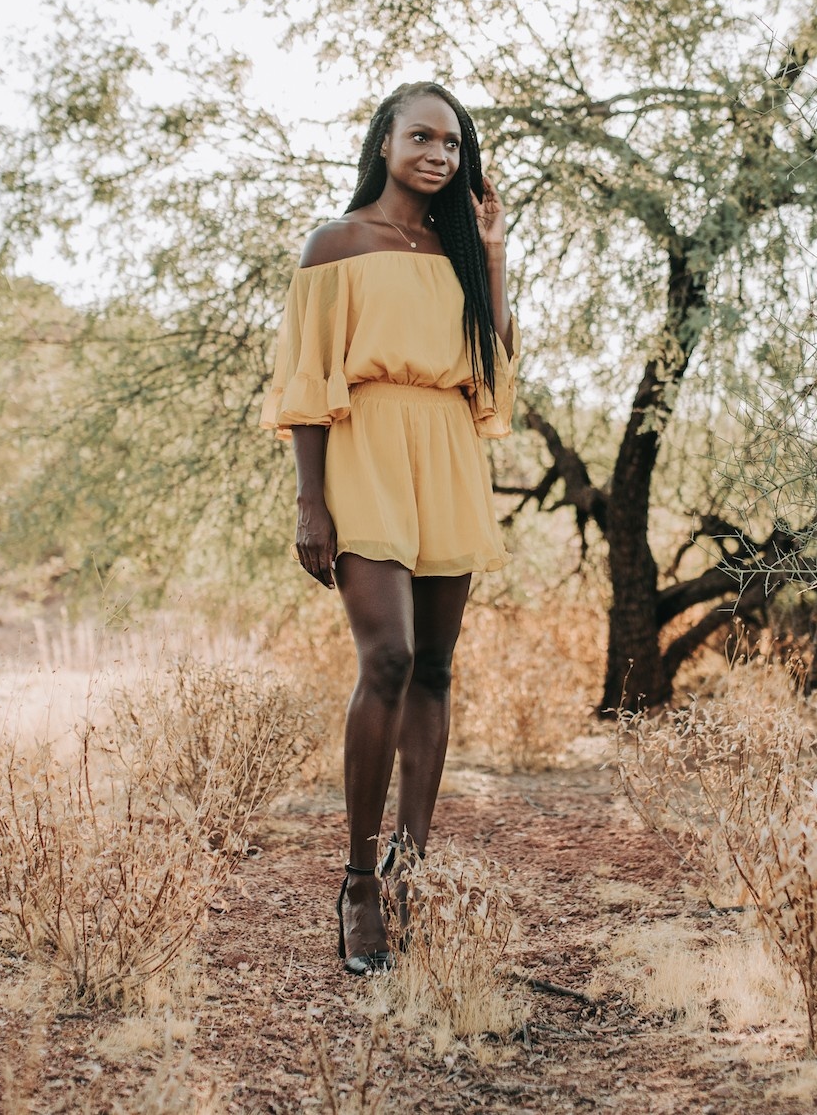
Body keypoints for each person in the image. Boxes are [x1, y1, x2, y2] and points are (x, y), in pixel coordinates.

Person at [260, 81, 517, 975]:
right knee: (391, 659)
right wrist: (311, 498)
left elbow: (494, 365)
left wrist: (492, 253)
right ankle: (360, 879)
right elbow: (306, 376)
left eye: (454, 143)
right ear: (385, 143)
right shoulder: (336, 243)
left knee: (437, 666)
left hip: (445, 449)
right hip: (364, 446)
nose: (440, 154)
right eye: (423, 137)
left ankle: (416, 867)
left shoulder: (456, 251)